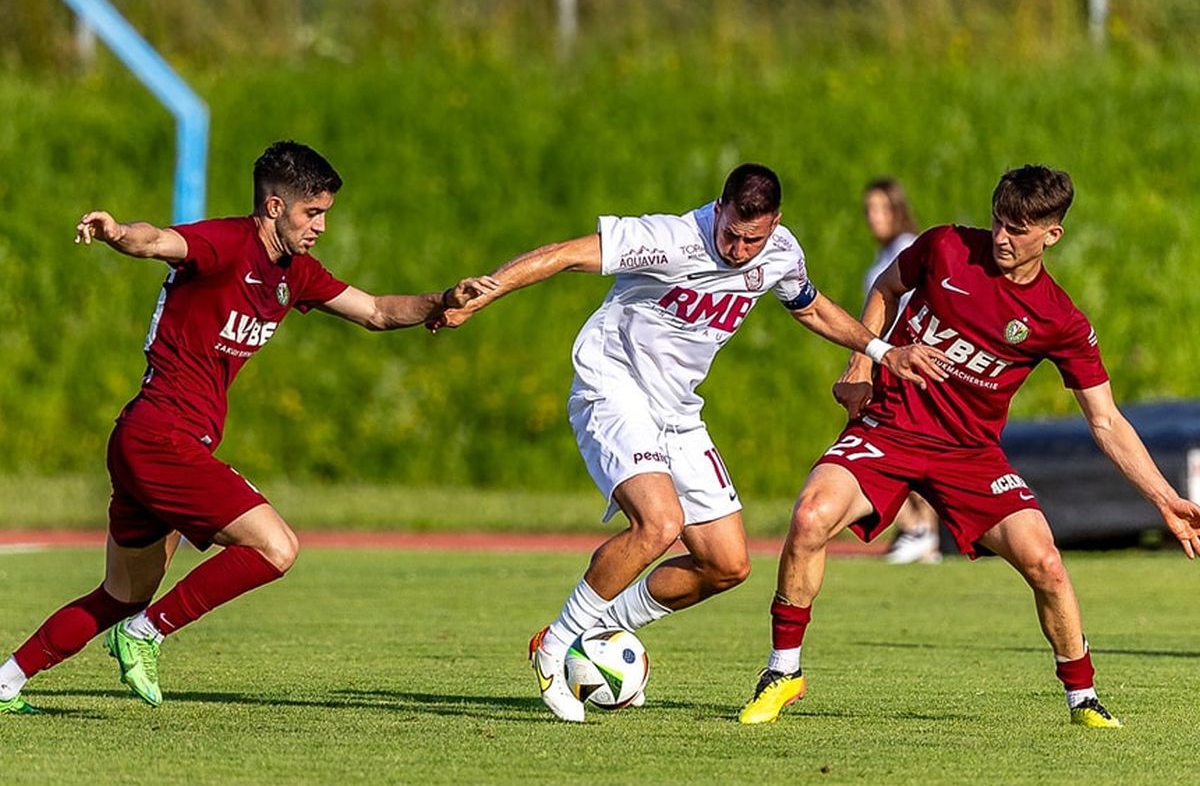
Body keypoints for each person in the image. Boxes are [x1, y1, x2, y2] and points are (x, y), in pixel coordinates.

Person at [432, 163, 945, 722]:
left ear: (775, 224)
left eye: (755, 238)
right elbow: (565, 253)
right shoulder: (670, 239)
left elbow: (812, 307)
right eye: (731, 233)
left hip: (678, 409)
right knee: (658, 524)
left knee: (727, 565)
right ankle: (554, 647)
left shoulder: (779, 252)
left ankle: (600, 624)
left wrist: (878, 352)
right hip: (614, 384)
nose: (740, 248)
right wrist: (485, 292)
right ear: (719, 207)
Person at [0, 140, 496, 715]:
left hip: (148, 440)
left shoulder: (295, 273)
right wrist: (115, 234)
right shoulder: (228, 243)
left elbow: (378, 311)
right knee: (276, 547)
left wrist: (442, 300)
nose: (322, 227)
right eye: (314, 214)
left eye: (326, 214)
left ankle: (7, 680)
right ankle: (146, 633)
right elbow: (158, 240)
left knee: (120, 594)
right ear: (276, 207)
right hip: (162, 437)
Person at [738, 165, 1200, 729]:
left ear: (1051, 235)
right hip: (889, 425)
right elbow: (886, 288)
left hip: (970, 454)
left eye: (1019, 229)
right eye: (999, 222)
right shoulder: (947, 247)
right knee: (810, 517)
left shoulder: (1059, 319)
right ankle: (783, 672)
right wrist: (862, 359)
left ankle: (1084, 699)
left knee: (1047, 563)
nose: (1002, 237)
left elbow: (1105, 421)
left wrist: (1163, 499)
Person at [861, 178, 941, 564]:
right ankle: (919, 531)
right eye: (869, 211)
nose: (873, 218)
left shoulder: (909, 247)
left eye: (881, 209)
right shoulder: (886, 252)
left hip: (906, 359)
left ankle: (919, 529)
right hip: (885, 358)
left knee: (898, 442)